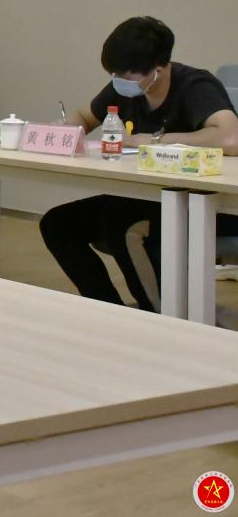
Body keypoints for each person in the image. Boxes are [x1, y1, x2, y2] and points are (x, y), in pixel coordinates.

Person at [40, 16, 238, 310]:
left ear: (158, 70)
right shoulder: (125, 88)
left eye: (125, 75)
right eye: (113, 74)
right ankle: (108, 309)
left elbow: (230, 138)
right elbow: (84, 116)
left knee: (120, 222)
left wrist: (155, 140)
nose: (118, 81)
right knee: (58, 224)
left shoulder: (195, 85)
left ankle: (161, 316)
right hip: (145, 195)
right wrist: (66, 130)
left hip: (205, 203)